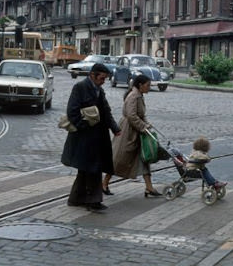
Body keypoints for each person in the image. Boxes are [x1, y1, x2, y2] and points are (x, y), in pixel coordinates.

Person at [61, 63, 120, 211]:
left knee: (86, 168)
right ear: (92, 75)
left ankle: (75, 198)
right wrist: (84, 127)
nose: (103, 81)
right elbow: (72, 111)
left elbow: (106, 111)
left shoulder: (99, 90)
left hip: (98, 137)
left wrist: (115, 128)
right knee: (93, 168)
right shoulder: (80, 87)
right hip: (84, 138)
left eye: (105, 79)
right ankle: (93, 202)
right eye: (101, 78)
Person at [103, 75, 162, 198]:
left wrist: (145, 124)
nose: (149, 88)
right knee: (119, 159)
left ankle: (149, 187)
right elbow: (131, 115)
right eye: (147, 85)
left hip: (137, 131)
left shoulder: (139, 95)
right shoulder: (134, 96)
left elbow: (140, 114)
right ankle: (104, 183)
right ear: (140, 85)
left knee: (144, 158)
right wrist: (143, 126)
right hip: (128, 132)